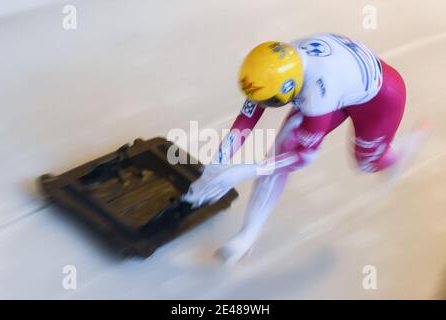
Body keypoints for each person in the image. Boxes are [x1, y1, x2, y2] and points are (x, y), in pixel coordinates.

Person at [183, 33, 428, 265]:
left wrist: (239, 172)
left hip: (381, 100)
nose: (262, 105)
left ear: (291, 88)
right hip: (343, 81)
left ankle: (399, 152)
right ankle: (248, 236)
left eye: (270, 102)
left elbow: (303, 158)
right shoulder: (275, 69)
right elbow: (247, 119)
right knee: (281, 149)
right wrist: (215, 167)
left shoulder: (316, 94)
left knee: (365, 163)